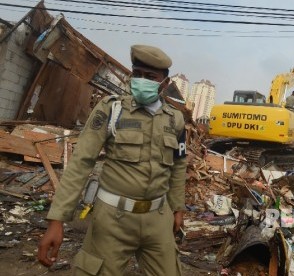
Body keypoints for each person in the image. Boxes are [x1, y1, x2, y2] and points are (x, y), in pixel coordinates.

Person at [38, 45, 187, 275]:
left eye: (150, 77)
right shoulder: (112, 109)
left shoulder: (174, 120)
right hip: (113, 220)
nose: (141, 81)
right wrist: (57, 219)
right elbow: (81, 163)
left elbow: (178, 166)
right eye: (137, 74)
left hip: (158, 219)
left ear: (164, 84)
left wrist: (178, 208)